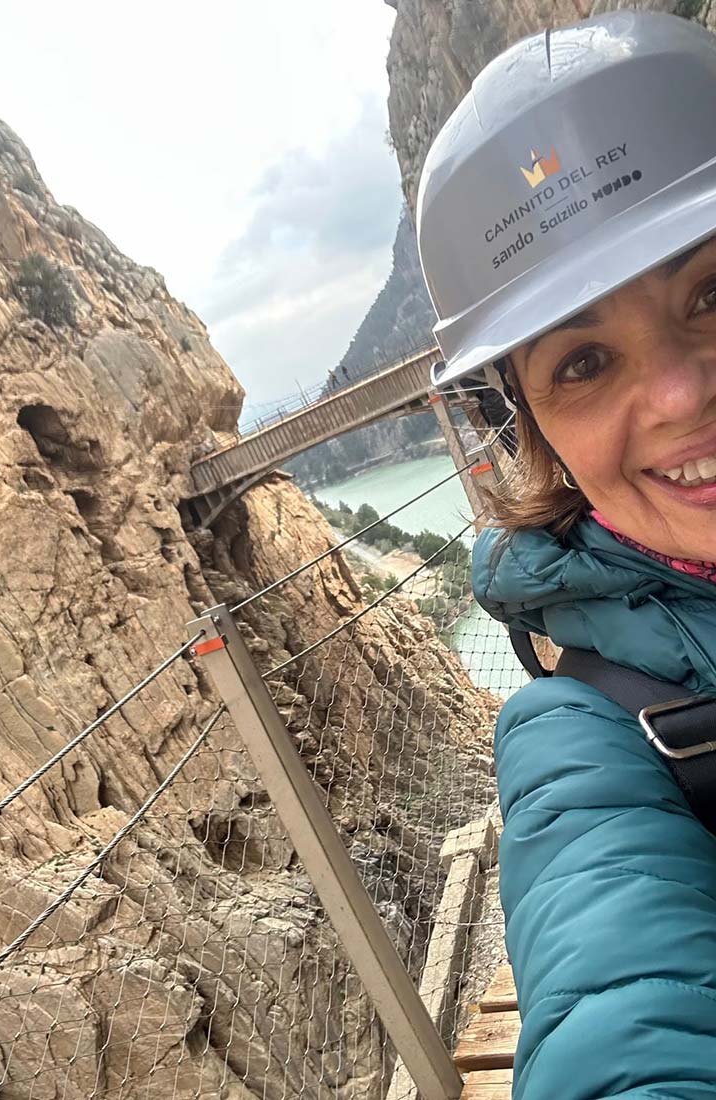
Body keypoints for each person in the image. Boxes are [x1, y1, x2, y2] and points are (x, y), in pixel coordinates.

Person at [417, 11, 716, 1097]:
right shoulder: (580, 736)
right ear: (536, 431)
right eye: (582, 359)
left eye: (710, 293)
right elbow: (623, 1002)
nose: (679, 393)